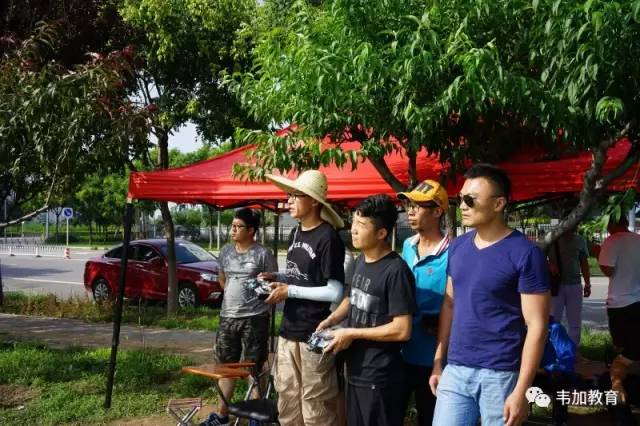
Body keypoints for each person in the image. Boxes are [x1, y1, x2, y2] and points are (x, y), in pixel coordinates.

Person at [430, 163, 550, 426]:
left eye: (470, 200)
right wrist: (439, 361)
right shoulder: (458, 247)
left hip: (501, 374)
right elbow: (449, 304)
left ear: (499, 204)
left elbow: (537, 326)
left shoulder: (525, 254)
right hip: (456, 370)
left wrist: (522, 390)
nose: (462, 206)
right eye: (460, 199)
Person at [317, 194, 416, 426]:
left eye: (361, 225)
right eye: (353, 222)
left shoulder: (396, 271)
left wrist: (351, 333)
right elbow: (351, 298)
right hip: (355, 369)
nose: (353, 230)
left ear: (381, 233)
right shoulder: (360, 261)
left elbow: (402, 329)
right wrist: (331, 320)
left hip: (380, 376)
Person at [260, 170, 346, 426]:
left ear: (314, 201)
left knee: (315, 407)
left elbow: (335, 291)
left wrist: (290, 291)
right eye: (289, 195)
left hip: (315, 333)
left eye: (296, 195)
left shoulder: (328, 237)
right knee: (287, 400)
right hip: (288, 331)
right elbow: (301, 276)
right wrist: (278, 278)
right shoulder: (295, 233)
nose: (289, 201)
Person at [207, 208, 278, 426]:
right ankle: (222, 415)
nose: (233, 230)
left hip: (255, 318)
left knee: (254, 368)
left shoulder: (263, 254)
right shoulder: (226, 252)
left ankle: (257, 417)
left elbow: (273, 285)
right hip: (227, 317)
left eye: (238, 226)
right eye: (232, 226)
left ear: (251, 230)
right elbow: (222, 280)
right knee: (226, 367)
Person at [396, 179, 450, 425]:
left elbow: (455, 304)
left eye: (417, 206)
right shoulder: (408, 245)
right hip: (402, 350)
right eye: (409, 205)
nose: (410, 211)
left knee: (429, 417)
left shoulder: (452, 253)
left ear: (437, 212)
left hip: (434, 358)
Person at [598, 215, 640, 407]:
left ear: (613, 224)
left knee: (623, 349)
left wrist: (598, 253)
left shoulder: (612, 240)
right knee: (632, 349)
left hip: (620, 303)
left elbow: (608, 270)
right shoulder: (638, 239)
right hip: (638, 301)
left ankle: (618, 384)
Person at [548, 229, 591, 346]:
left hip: (574, 285)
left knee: (575, 322)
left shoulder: (580, 240)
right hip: (556, 286)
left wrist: (587, 284)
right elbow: (538, 257)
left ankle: (572, 349)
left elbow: (584, 263)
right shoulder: (550, 239)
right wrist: (549, 264)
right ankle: (554, 349)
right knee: (554, 320)